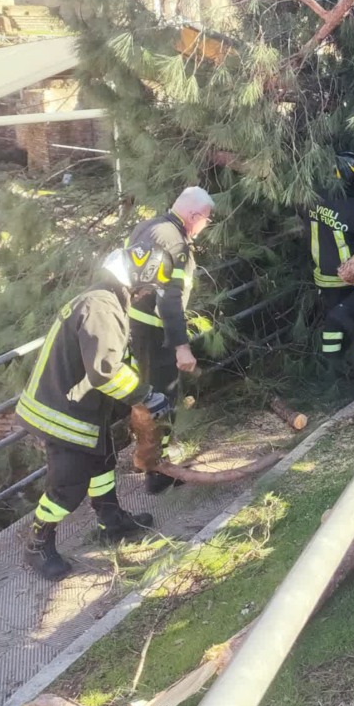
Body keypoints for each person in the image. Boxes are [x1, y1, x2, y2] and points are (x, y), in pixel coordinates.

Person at [17, 248, 173, 580]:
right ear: (134, 280)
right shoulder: (100, 308)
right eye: (147, 288)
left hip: (80, 407)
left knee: (102, 462)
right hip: (63, 413)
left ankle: (110, 521)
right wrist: (145, 396)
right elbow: (105, 370)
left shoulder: (104, 299)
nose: (147, 295)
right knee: (67, 486)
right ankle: (37, 544)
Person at [126, 187, 215, 493]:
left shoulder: (146, 227)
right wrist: (181, 346)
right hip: (158, 333)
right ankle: (157, 471)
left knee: (148, 396)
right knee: (163, 400)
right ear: (194, 216)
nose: (205, 226)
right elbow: (169, 299)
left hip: (135, 328)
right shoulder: (175, 242)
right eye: (206, 220)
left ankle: (151, 461)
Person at [308, 152, 354, 363]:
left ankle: (331, 365)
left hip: (323, 275)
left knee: (331, 323)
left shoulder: (314, 198)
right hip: (348, 277)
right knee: (353, 318)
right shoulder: (352, 207)